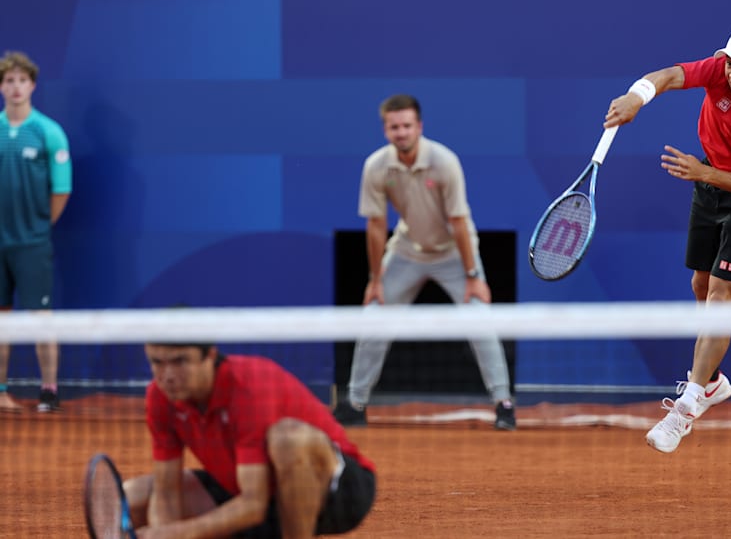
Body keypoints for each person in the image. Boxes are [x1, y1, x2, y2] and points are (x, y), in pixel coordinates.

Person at [603, 25, 731, 453]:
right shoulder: (719, 73)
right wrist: (637, 98)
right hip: (709, 187)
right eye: (730, 62)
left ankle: (687, 407)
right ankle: (712, 382)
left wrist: (703, 173)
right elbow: (670, 76)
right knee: (700, 285)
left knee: (721, 292)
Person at [332, 94, 517, 431]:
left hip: (454, 253)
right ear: (386, 130)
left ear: (419, 127)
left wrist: (473, 275)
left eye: (406, 126)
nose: (401, 132)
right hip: (406, 251)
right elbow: (375, 225)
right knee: (373, 318)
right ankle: (355, 403)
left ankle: (503, 403)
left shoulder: (444, 162)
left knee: (480, 320)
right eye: (394, 127)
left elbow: (459, 221)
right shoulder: (376, 166)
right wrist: (375, 279)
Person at [123, 342, 377, 538]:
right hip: (251, 489)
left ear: (209, 356)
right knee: (132, 498)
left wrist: (180, 533)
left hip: (338, 493)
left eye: (180, 361)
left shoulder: (248, 387)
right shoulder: (160, 397)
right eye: (157, 362)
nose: (167, 375)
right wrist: (164, 531)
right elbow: (167, 492)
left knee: (288, 440)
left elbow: (254, 505)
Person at [0, 51, 71, 413]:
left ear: (33, 85)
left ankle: (48, 390)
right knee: (0, 321)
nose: (15, 87)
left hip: (32, 243)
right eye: (9, 80)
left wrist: (39, 227)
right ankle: (0, 391)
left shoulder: (48, 132)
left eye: (22, 80)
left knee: (41, 319)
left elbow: (61, 189)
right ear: (1, 86)